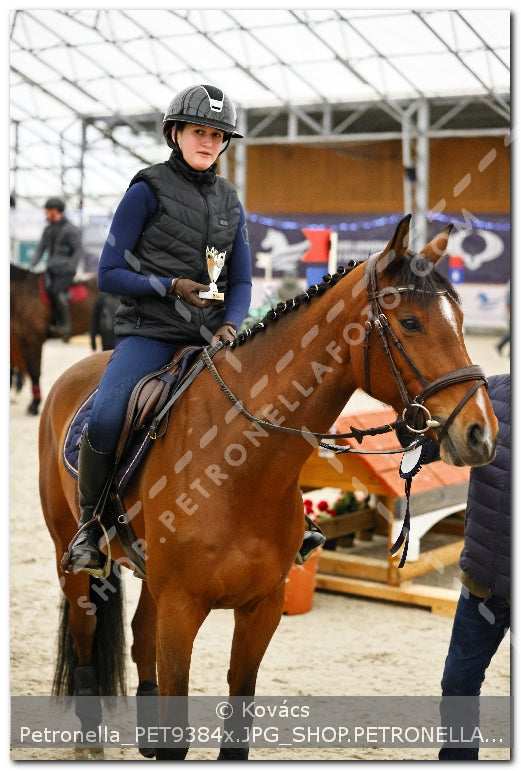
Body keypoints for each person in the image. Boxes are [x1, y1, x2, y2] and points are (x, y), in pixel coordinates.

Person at [63, 84, 325, 577]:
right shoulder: (146, 190)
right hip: (149, 333)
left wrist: (230, 324)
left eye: (217, 134)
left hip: (212, 338)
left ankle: (292, 517)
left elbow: (241, 278)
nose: (208, 141)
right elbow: (108, 273)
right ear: (175, 133)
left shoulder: (230, 199)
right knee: (105, 417)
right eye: (199, 131)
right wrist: (168, 286)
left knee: (273, 404)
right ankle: (90, 526)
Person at [437, 373, 510, 760]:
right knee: (458, 685)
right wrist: (413, 430)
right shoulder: (485, 394)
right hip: (482, 583)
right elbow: (431, 443)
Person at [29, 197, 83, 337]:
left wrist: (71, 266)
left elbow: (78, 249)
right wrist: (32, 265)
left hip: (65, 270)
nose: (45, 213)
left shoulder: (70, 229)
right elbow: (40, 249)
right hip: (51, 269)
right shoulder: (48, 230)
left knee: (55, 291)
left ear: (55, 211)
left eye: (47, 211)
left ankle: (65, 324)